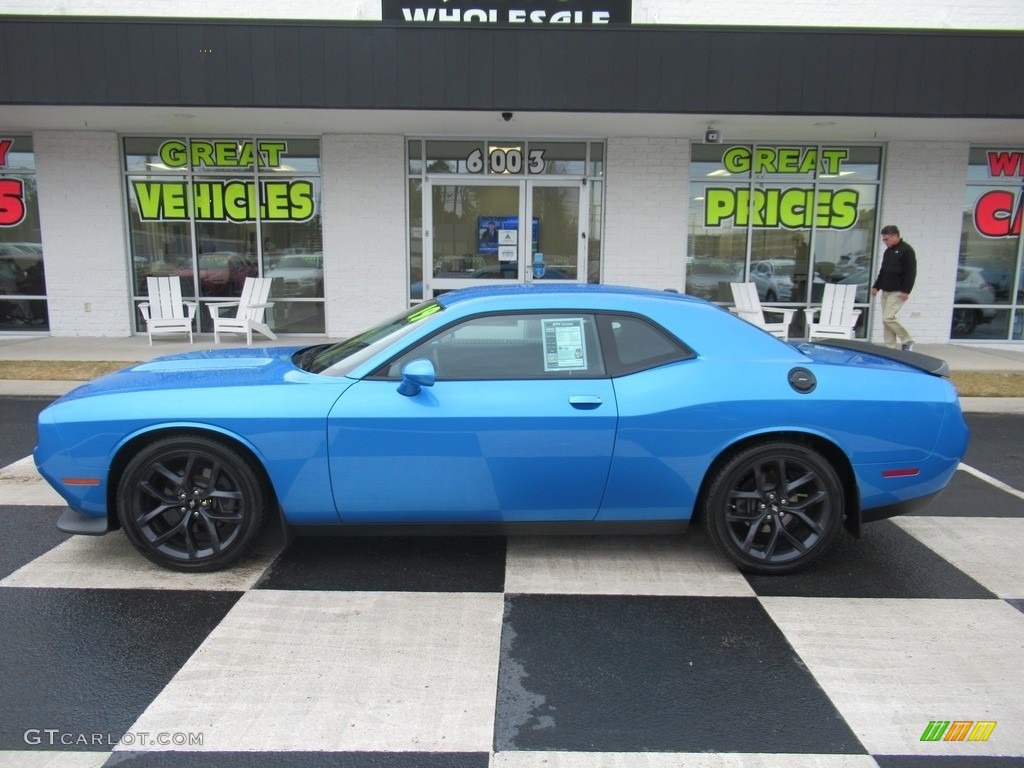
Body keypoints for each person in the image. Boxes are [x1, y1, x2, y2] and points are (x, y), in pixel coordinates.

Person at [871, 225, 917, 350]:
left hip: (898, 291)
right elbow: (884, 271)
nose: (885, 242)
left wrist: (906, 290)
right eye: (884, 240)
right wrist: (876, 286)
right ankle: (889, 347)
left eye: (887, 239)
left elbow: (911, 272)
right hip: (886, 290)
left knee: (888, 317)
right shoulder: (888, 251)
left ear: (896, 236)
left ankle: (907, 340)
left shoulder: (906, 250)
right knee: (886, 321)